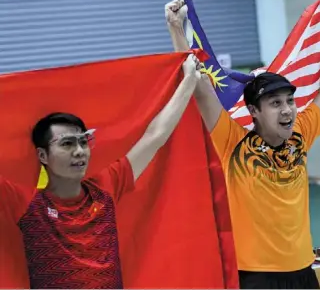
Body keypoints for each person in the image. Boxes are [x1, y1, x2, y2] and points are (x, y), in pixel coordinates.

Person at [165, 0, 320, 289]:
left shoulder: (300, 135)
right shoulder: (231, 142)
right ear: (255, 112)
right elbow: (197, 84)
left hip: (303, 270)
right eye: (275, 103)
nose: (287, 109)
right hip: (255, 275)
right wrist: (176, 28)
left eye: (290, 101)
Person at [0, 54, 203, 289]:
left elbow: (155, 135)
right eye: (67, 144)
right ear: (43, 155)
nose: (79, 151)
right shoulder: (23, 202)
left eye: (83, 142)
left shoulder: (106, 186)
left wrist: (188, 80)